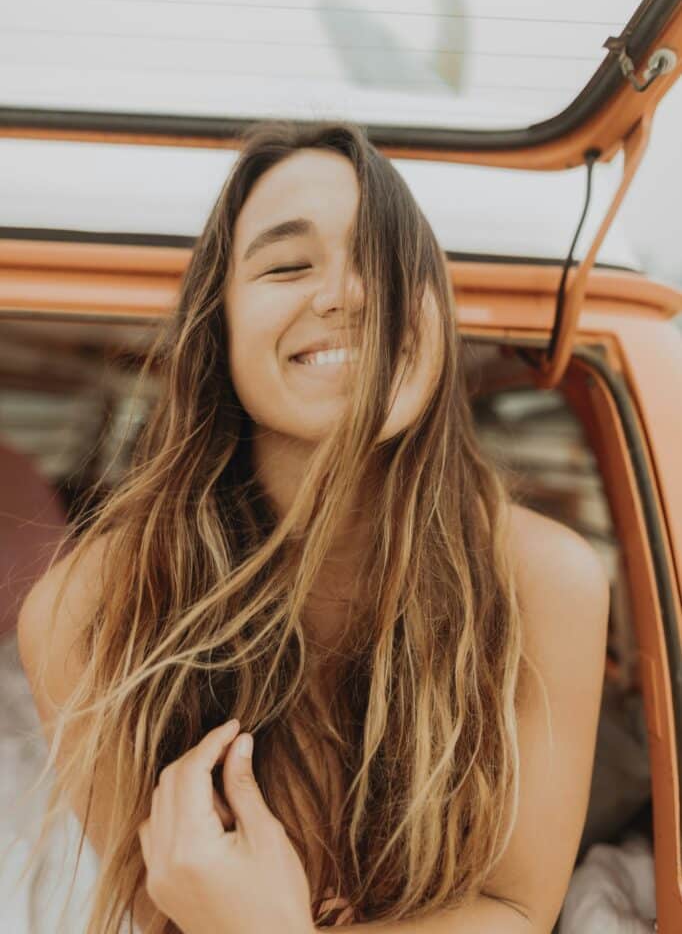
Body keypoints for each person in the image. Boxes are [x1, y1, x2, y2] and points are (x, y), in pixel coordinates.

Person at [14, 119, 609, 934]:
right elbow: (166, 915)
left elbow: (514, 910)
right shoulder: (84, 613)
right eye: (288, 266)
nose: (348, 293)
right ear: (216, 332)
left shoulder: (546, 580)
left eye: (390, 265)